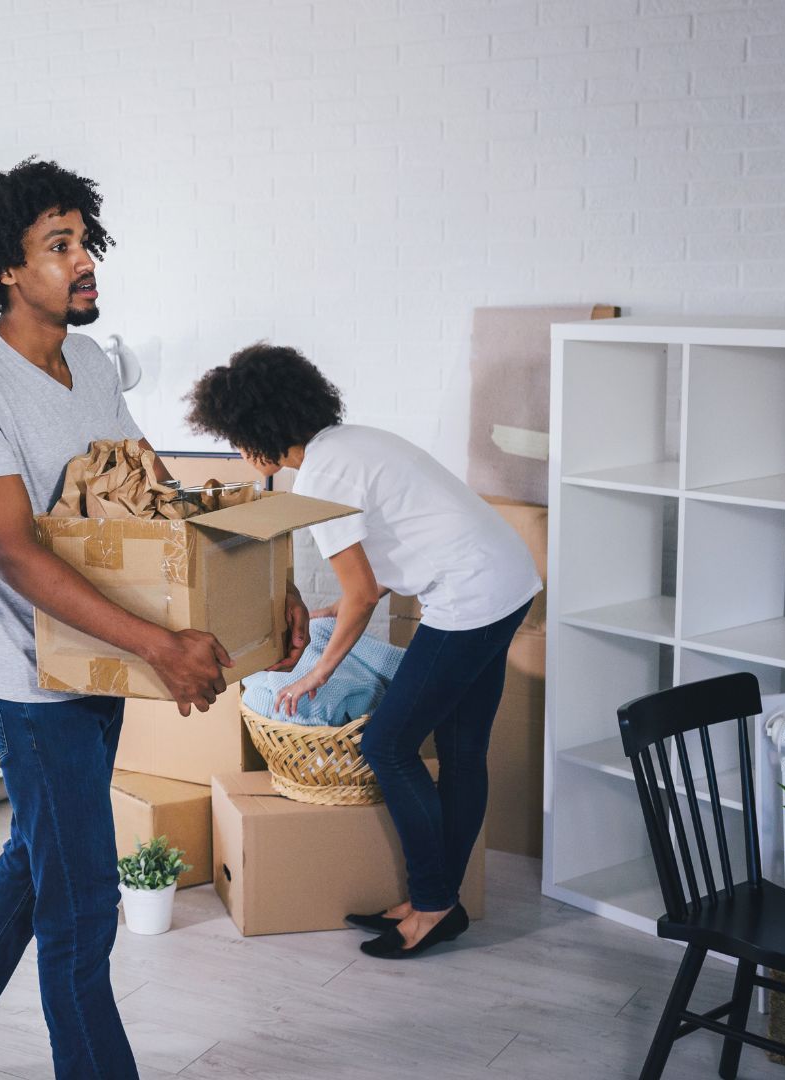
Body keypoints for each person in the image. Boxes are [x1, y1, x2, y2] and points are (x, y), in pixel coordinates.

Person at [0, 159, 296, 1080]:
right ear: (5, 267)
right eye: (58, 247)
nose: (84, 264)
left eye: (85, 242)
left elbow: (160, 497)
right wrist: (161, 644)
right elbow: (16, 553)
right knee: (82, 911)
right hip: (30, 684)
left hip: (95, 666)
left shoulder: (90, 366)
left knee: (43, 855)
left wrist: (270, 589)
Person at [185, 343, 541, 959]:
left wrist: (317, 673)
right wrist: (336, 607)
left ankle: (431, 905)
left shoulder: (323, 478)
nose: (241, 454)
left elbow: (362, 594)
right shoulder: (350, 444)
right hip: (507, 579)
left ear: (262, 428)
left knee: (387, 745)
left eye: (240, 439)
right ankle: (441, 903)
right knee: (461, 751)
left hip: (471, 598)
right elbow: (377, 567)